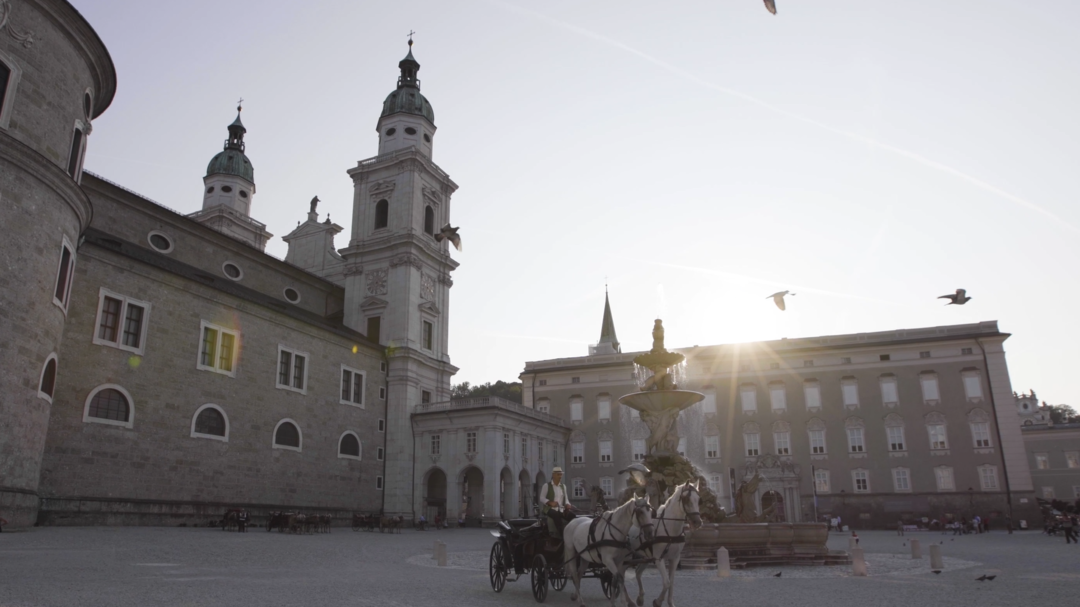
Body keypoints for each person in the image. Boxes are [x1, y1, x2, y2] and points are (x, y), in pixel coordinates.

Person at [538, 466, 572, 540]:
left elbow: (566, 499)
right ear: (553, 475)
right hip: (549, 509)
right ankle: (561, 536)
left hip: (561, 509)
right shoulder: (546, 485)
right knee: (556, 516)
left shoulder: (563, 486)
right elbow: (542, 498)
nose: (560, 476)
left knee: (573, 516)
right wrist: (550, 502)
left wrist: (567, 504)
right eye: (558, 474)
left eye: (561, 474)